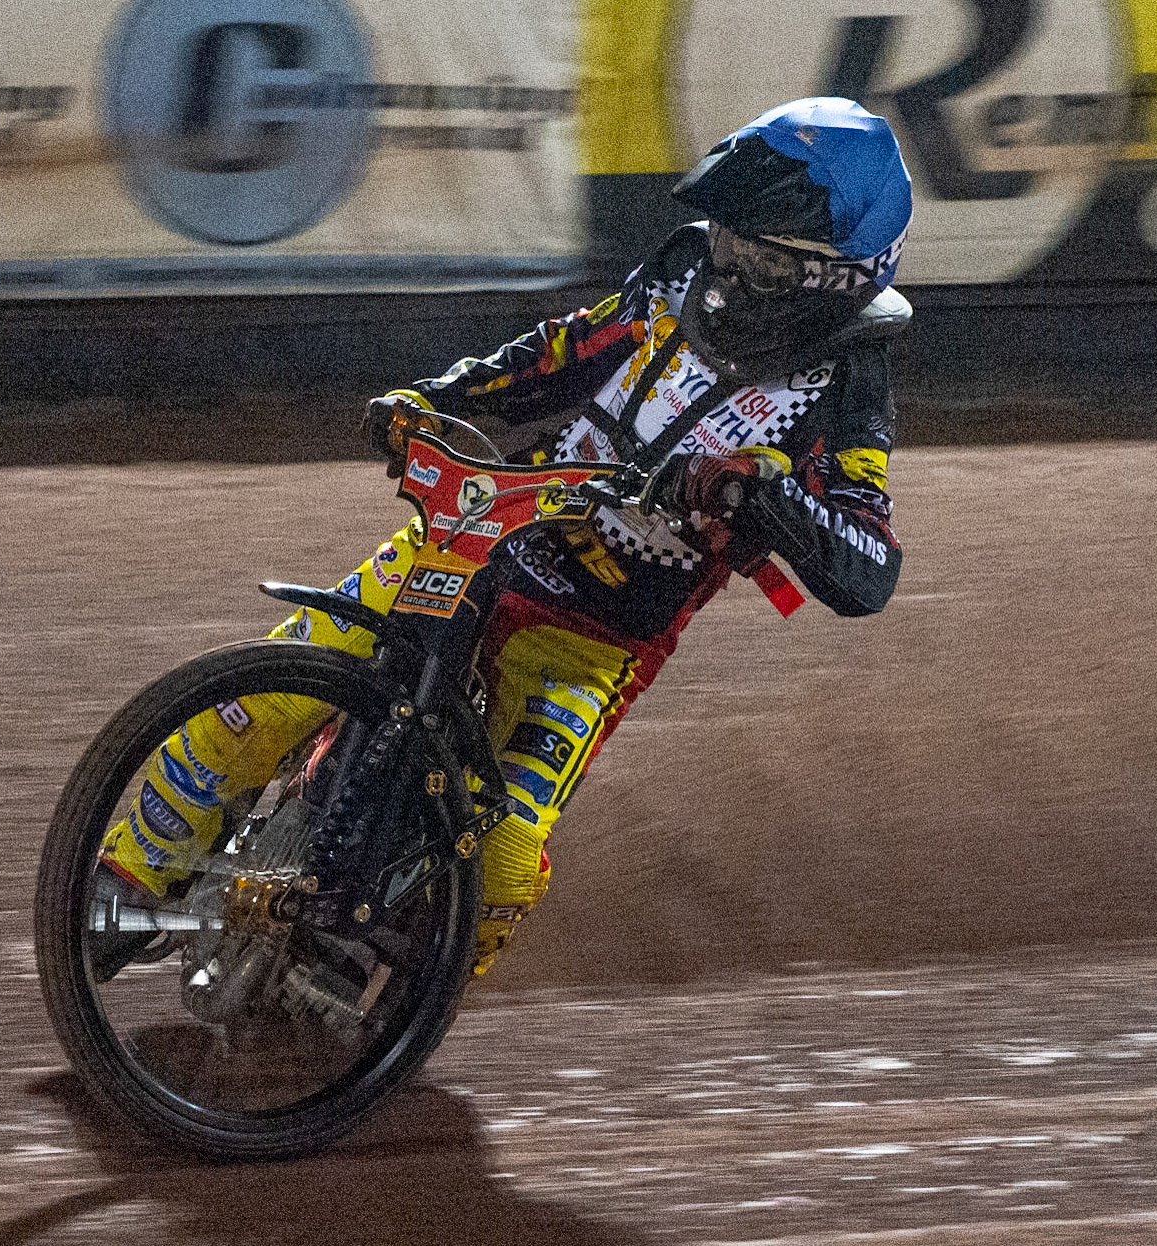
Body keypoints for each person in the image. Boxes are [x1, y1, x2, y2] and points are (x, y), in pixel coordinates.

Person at [96, 97, 913, 977]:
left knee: (504, 858)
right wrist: (435, 399)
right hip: (479, 539)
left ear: (832, 277)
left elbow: (868, 564)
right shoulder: (676, 278)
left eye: (758, 258)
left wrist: (762, 492)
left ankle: (391, 997)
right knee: (262, 697)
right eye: (726, 240)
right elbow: (562, 352)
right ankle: (123, 883)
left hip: (593, 643)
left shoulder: (845, 389)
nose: (726, 268)